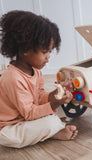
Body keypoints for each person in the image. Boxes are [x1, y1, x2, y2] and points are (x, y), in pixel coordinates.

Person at [0, 10, 78, 148]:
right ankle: (53, 132)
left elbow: (39, 97)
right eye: (44, 52)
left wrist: (56, 95)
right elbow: (30, 113)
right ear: (25, 49)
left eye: (50, 51)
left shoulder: (36, 71)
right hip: (9, 127)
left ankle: (49, 131)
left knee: (56, 113)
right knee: (50, 122)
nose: (48, 56)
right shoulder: (12, 78)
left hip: (26, 117)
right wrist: (55, 104)